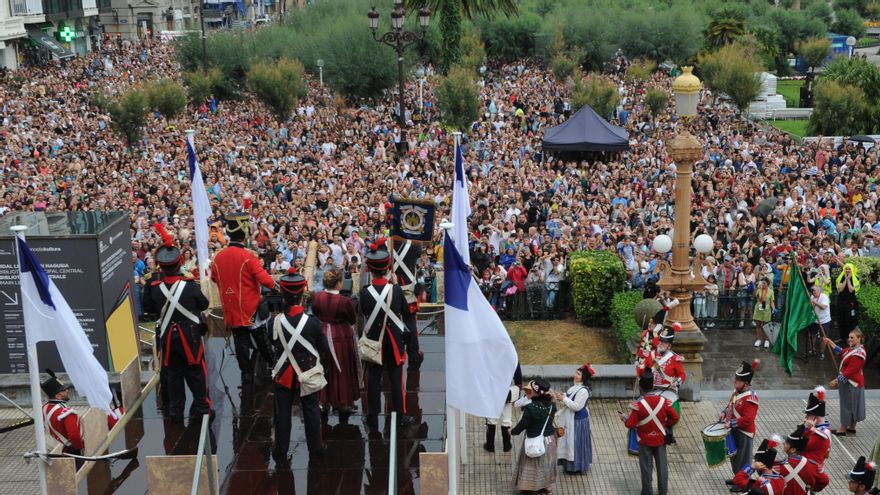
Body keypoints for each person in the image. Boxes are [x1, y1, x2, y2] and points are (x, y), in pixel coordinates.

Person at [141, 223, 211, 422]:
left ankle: (175, 412)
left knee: (173, 376)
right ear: (179, 262)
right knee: (196, 372)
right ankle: (202, 408)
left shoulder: (153, 285)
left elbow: (148, 308)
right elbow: (204, 303)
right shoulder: (188, 285)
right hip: (190, 336)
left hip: (168, 338)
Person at [269, 269, 330, 465]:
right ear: (302, 292)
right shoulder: (313, 323)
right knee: (311, 410)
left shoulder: (274, 322)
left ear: (283, 294)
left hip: (284, 373)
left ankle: (280, 450)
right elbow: (324, 349)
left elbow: (272, 344)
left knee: (283, 413)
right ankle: (316, 448)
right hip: (308, 371)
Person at [210, 212, 277, 383]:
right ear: (245, 233)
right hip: (251, 308)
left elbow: (214, 278)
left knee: (240, 340)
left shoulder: (218, 257)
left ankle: (245, 372)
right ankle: (273, 365)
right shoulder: (249, 256)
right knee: (261, 337)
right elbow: (267, 281)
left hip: (231, 308)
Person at [359, 239, 414, 427]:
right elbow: (407, 313)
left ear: (371, 270)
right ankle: (400, 415)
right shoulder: (396, 290)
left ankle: (373, 415)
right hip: (394, 341)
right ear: (387, 267)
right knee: (397, 380)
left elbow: (365, 312)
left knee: (373, 379)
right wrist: (396, 286)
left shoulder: (365, 293)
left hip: (375, 341)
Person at [310, 267, 360, 415]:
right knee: (342, 370)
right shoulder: (345, 301)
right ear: (339, 283)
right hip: (341, 337)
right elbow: (352, 319)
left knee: (324, 369)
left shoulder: (317, 297)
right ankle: (342, 402)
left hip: (323, 333)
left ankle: (323, 402)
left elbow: (316, 312)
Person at [621, 369, 678, 495]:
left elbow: (630, 424)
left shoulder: (638, 405)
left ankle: (647, 492)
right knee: (662, 467)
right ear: (653, 386)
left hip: (645, 440)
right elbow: (675, 417)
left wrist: (625, 417)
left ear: (641, 388)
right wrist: (665, 424)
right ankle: (663, 491)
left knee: (646, 468)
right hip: (660, 439)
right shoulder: (664, 401)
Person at [511, 379, 558, 494]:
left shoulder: (530, 408)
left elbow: (523, 425)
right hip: (549, 440)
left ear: (536, 392)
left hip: (533, 441)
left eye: (531, 389)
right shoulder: (552, 406)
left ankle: (528, 487)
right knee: (546, 464)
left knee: (531, 465)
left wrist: (512, 431)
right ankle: (547, 487)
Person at [722, 360, 760, 487]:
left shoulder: (751, 398)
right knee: (735, 458)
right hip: (735, 430)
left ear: (746, 383)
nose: (735, 382)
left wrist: (731, 423)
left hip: (744, 432)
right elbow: (730, 405)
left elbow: (748, 419)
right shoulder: (736, 392)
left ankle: (742, 483)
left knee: (743, 460)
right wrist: (724, 412)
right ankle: (737, 478)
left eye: (738, 381)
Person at [824, 329, 867, 436]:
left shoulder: (859, 354)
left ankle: (842, 429)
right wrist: (831, 343)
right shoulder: (854, 349)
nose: (849, 339)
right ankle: (852, 427)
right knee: (855, 404)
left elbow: (850, 371)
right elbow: (843, 352)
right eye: (849, 337)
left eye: (852, 337)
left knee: (847, 405)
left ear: (859, 339)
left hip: (851, 383)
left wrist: (836, 380)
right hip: (855, 382)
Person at [553, 363, 594, 474]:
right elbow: (570, 396)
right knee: (570, 442)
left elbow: (576, 406)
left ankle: (577, 466)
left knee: (575, 443)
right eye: (576, 372)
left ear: (584, 377)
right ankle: (569, 465)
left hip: (578, 421)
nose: (575, 375)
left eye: (579, 374)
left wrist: (564, 399)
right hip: (573, 419)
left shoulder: (583, 391)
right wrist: (563, 396)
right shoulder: (575, 387)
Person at [391, 237, 424, 368]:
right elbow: (418, 254)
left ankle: (393, 355)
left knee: (391, 323)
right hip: (408, 291)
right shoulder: (416, 244)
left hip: (392, 291)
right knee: (410, 324)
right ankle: (414, 357)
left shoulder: (388, 242)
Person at [651, 324, 685, 444]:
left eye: (664, 343)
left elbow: (682, 375)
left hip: (668, 390)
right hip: (653, 389)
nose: (661, 343)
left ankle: (668, 431)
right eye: (661, 341)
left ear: (669, 345)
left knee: (670, 414)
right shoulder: (653, 354)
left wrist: (676, 383)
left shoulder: (675, 359)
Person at [41, 370, 84, 456]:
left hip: (51, 451)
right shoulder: (67, 412)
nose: (67, 391)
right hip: (69, 452)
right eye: (63, 390)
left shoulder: (43, 408)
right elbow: (74, 436)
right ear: (57, 396)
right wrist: (80, 448)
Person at [777, 424, 829, 495]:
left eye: (786, 443)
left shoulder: (779, 466)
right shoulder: (814, 466)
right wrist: (812, 488)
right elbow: (825, 481)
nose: (783, 443)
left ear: (793, 449)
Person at [484, 364, 523, 453]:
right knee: (506, 419)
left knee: (491, 419)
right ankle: (507, 445)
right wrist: (517, 388)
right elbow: (518, 377)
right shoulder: (511, 354)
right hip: (506, 392)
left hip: (492, 391)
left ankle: (490, 445)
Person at [802, 386, 831, 473]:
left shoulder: (822, 432)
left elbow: (800, 446)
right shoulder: (821, 429)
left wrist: (807, 429)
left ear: (816, 418)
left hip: (812, 469)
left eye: (809, 415)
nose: (806, 417)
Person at [836, 263, 860, 342]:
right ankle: (842, 338)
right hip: (841, 302)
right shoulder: (842, 277)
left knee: (849, 321)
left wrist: (848, 280)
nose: (847, 270)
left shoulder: (856, 278)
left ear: (852, 269)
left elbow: (851, 290)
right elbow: (840, 289)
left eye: (849, 269)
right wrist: (846, 279)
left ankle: (849, 338)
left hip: (850, 304)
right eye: (846, 269)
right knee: (841, 320)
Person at [752, 278, 775, 349]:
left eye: (764, 283)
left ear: (767, 284)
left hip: (767, 310)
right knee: (758, 325)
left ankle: (766, 340)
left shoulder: (771, 291)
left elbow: (772, 301)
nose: (763, 284)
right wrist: (756, 288)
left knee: (766, 326)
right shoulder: (759, 289)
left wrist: (774, 308)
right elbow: (754, 296)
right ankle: (759, 339)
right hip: (758, 308)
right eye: (762, 283)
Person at [810, 285, 832, 358]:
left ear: (819, 291)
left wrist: (814, 302)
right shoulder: (812, 297)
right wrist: (812, 304)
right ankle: (812, 349)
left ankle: (821, 352)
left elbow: (823, 307)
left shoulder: (824, 297)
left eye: (814, 290)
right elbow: (811, 308)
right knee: (813, 335)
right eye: (812, 291)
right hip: (815, 319)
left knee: (823, 337)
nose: (813, 292)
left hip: (824, 320)